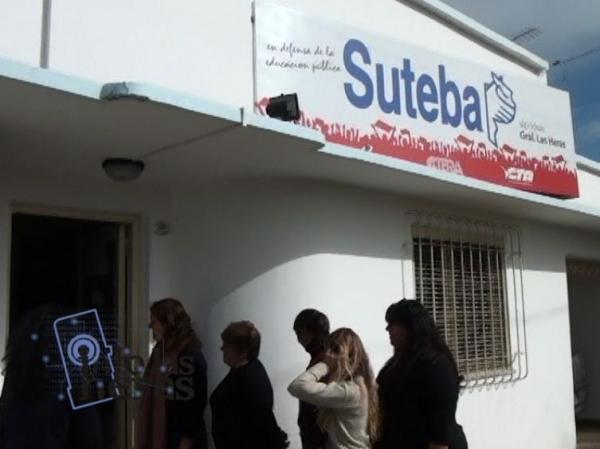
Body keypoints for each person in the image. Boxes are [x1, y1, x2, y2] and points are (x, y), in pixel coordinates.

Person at [376, 300, 468, 449]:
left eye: (393, 324)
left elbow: (440, 427)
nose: (388, 329)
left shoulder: (435, 363)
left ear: (410, 327)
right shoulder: (400, 360)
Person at [288, 327, 380, 449]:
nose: (327, 354)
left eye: (335, 350)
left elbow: (297, 386)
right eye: (327, 348)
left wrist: (325, 365)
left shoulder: (348, 391)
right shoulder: (359, 384)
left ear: (350, 356)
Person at [137, 298, 208, 449]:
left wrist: (185, 442)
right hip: (165, 437)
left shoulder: (189, 355)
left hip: (180, 441)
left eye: (154, 321)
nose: (150, 326)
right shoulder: (160, 352)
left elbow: (193, 408)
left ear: (168, 324)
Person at [210, 321, 289, 449]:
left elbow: (264, 425)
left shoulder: (251, 381)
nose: (222, 348)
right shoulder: (245, 369)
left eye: (227, 345)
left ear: (243, 351)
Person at [293, 309, 330, 449]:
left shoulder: (325, 359)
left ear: (312, 332)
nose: (299, 340)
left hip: (320, 440)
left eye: (300, 334)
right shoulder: (322, 356)